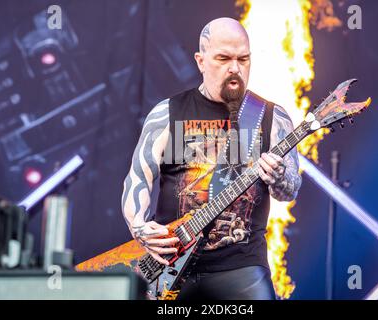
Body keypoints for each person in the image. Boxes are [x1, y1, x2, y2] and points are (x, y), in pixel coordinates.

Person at [121, 17, 302, 300]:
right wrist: (140, 227)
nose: (234, 68)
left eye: (243, 59)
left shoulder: (271, 117)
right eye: (223, 58)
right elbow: (137, 179)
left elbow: (289, 190)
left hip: (241, 266)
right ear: (200, 61)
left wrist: (279, 177)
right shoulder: (167, 113)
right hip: (171, 265)